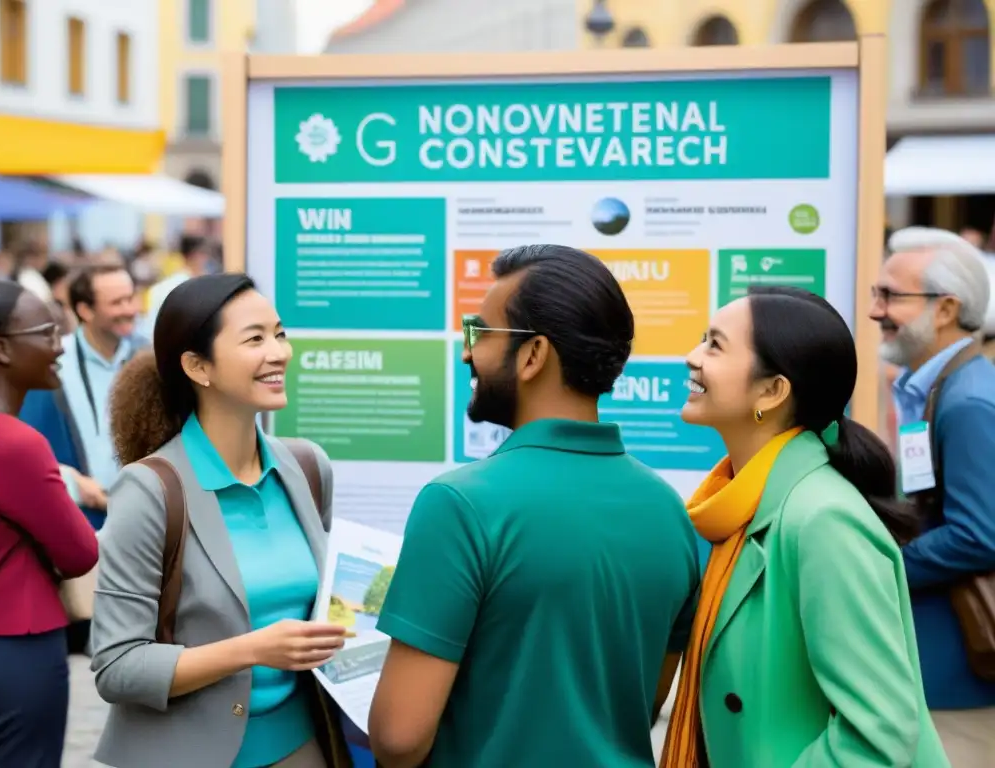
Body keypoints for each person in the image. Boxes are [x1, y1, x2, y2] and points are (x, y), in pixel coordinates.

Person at [368, 244, 701, 768]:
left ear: (533, 355)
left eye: (480, 333)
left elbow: (398, 738)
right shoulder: (672, 513)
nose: (466, 352)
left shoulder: (459, 504)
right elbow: (644, 702)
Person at [661, 286, 948, 768]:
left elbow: (879, 732)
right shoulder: (740, 507)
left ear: (771, 391)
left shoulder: (822, 519)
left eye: (715, 345)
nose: (692, 357)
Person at [90, 273, 351, 768]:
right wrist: (253, 649)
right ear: (197, 366)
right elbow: (117, 667)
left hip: (302, 745)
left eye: (280, 333)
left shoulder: (308, 468)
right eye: (254, 339)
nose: (278, 352)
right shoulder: (149, 490)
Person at [873, 227, 995, 766]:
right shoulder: (937, 386)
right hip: (940, 665)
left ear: (946, 309)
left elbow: (978, 535)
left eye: (891, 296)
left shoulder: (967, 401)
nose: (877, 309)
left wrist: (884, 566)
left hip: (960, 674)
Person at [0, 281, 99, 768]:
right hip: (15, 651)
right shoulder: (12, 442)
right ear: (0, 348)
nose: (59, 344)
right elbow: (80, 552)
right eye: (46, 332)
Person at [21, 265, 146, 530]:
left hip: (142, 522)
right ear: (85, 310)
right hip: (77, 524)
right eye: (116, 302)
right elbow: (21, 445)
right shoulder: (52, 362)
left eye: (130, 298)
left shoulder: (150, 358)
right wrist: (70, 482)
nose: (129, 309)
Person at [141, 235, 215, 339]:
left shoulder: (165, 286)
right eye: (204, 253)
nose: (206, 258)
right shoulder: (178, 286)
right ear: (195, 255)